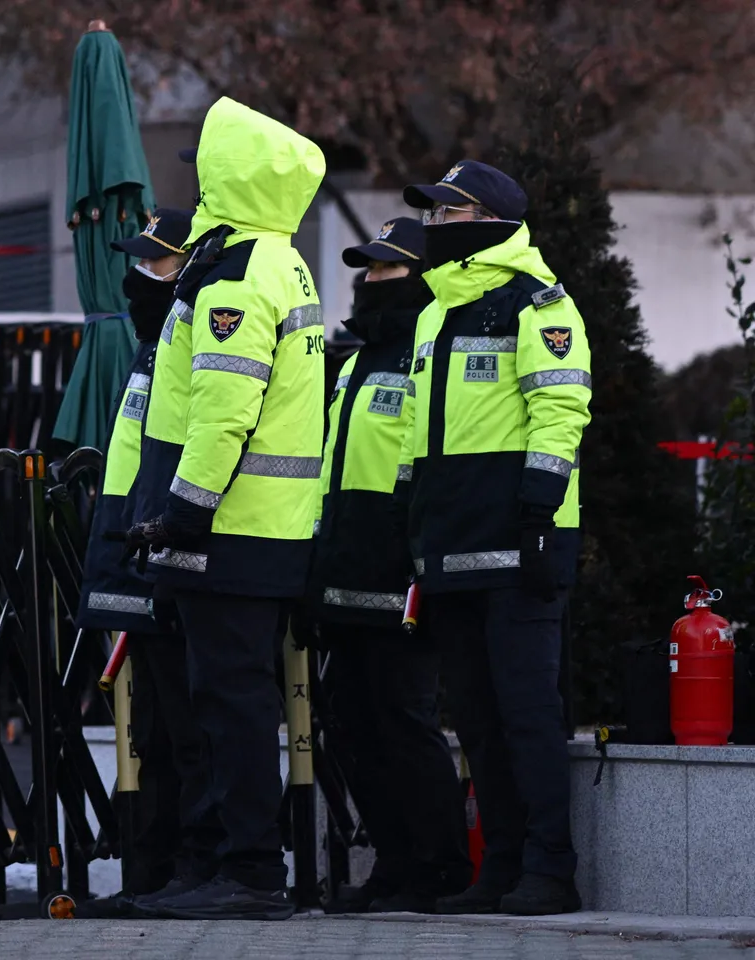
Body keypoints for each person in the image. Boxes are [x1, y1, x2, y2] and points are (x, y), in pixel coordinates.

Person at [121, 97, 327, 921]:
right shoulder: (276, 260)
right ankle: (224, 864)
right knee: (230, 703)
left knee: (231, 708)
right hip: (260, 527)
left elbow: (223, 410)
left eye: (205, 168)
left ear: (231, 179)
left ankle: (248, 872)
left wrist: (184, 511)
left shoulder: (235, 272)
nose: (196, 181)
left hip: (229, 529)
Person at [395, 160, 591, 915]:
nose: (436, 225)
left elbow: (561, 411)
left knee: (526, 710)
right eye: (435, 214)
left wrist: (540, 513)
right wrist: (409, 516)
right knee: (474, 715)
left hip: (521, 541)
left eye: (451, 213)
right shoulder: (436, 311)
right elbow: (420, 433)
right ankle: (502, 866)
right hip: (450, 541)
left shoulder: (539, 303)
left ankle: (551, 870)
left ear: (494, 221)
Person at [313, 217, 468, 914]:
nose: (372, 281)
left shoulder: (427, 357)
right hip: (344, 572)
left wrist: (421, 562)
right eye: (369, 269)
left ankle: (440, 867)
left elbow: (428, 470)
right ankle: (394, 864)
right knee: (353, 724)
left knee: (406, 722)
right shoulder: (353, 362)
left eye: (389, 269)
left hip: (400, 577)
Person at [74, 209, 224, 918]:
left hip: (179, 555)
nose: (138, 278)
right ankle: (157, 872)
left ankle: (198, 868)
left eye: (155, 264)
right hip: (140, 557)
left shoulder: (191, 349)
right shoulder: (148, 350)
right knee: (157, 735)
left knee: (192, 733)